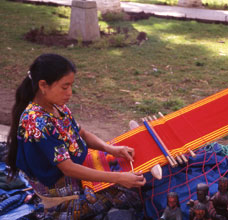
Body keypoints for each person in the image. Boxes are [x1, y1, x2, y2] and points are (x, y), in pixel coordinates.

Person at [6, 53, 146, 219]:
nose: (70, 92)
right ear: (43, 85)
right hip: (60, 201)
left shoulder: (58, 108)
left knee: (124, 172)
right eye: (65, 87)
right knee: (131, 196)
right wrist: (119, 178)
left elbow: (82, 134)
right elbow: (68, 168)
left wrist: (111, 149)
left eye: (71, 86)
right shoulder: (37, 122)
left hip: (71, 181)